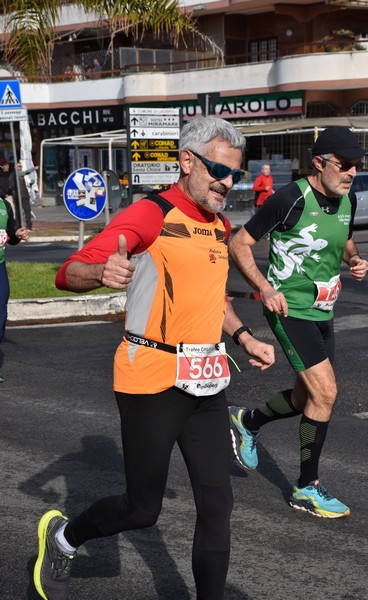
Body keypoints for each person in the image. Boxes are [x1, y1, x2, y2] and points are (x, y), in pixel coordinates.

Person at [33, 116, 275, 600]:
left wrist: (244, 335)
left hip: (206, 382)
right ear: (187, 161)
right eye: (217, 170)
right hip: (151, 381)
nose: (227, 182)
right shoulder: (151, 214)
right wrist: (102, 271)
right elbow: (68, 272)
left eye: (234, 174)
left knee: (217, 501)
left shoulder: (218, 224)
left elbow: (213, 298)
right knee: (142, 508)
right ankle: (63, 539)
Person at [228, 126, 368, 519]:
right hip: (290, 312)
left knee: (306, 397)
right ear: (319, 163)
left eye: (356, 166)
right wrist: (264, 289)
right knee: (326, 393)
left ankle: (247, 421)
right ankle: (306, 487)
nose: (352, 173)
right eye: (345, 165)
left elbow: (344, 238)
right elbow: (239, 244)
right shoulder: (290, 198)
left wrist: (353, 261)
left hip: (324, 311)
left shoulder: (347, 199)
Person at [0, 194, 29, 383]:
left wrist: (18, 235)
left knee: (1, 316)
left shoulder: (3, 205)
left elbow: (10, 233)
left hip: (0, 266)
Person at [9, 160, 36, 230]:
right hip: (23, 196)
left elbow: (10, 185)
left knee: (18, 212)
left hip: (16, 196)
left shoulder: (11, 175)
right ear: (15, 167)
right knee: (27, 211)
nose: (21, 167)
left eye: (21, 166)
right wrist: (34, 168)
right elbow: (26, 172)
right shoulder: (18, 174)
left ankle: (17, 226)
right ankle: (29, 226)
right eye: (19, 166)